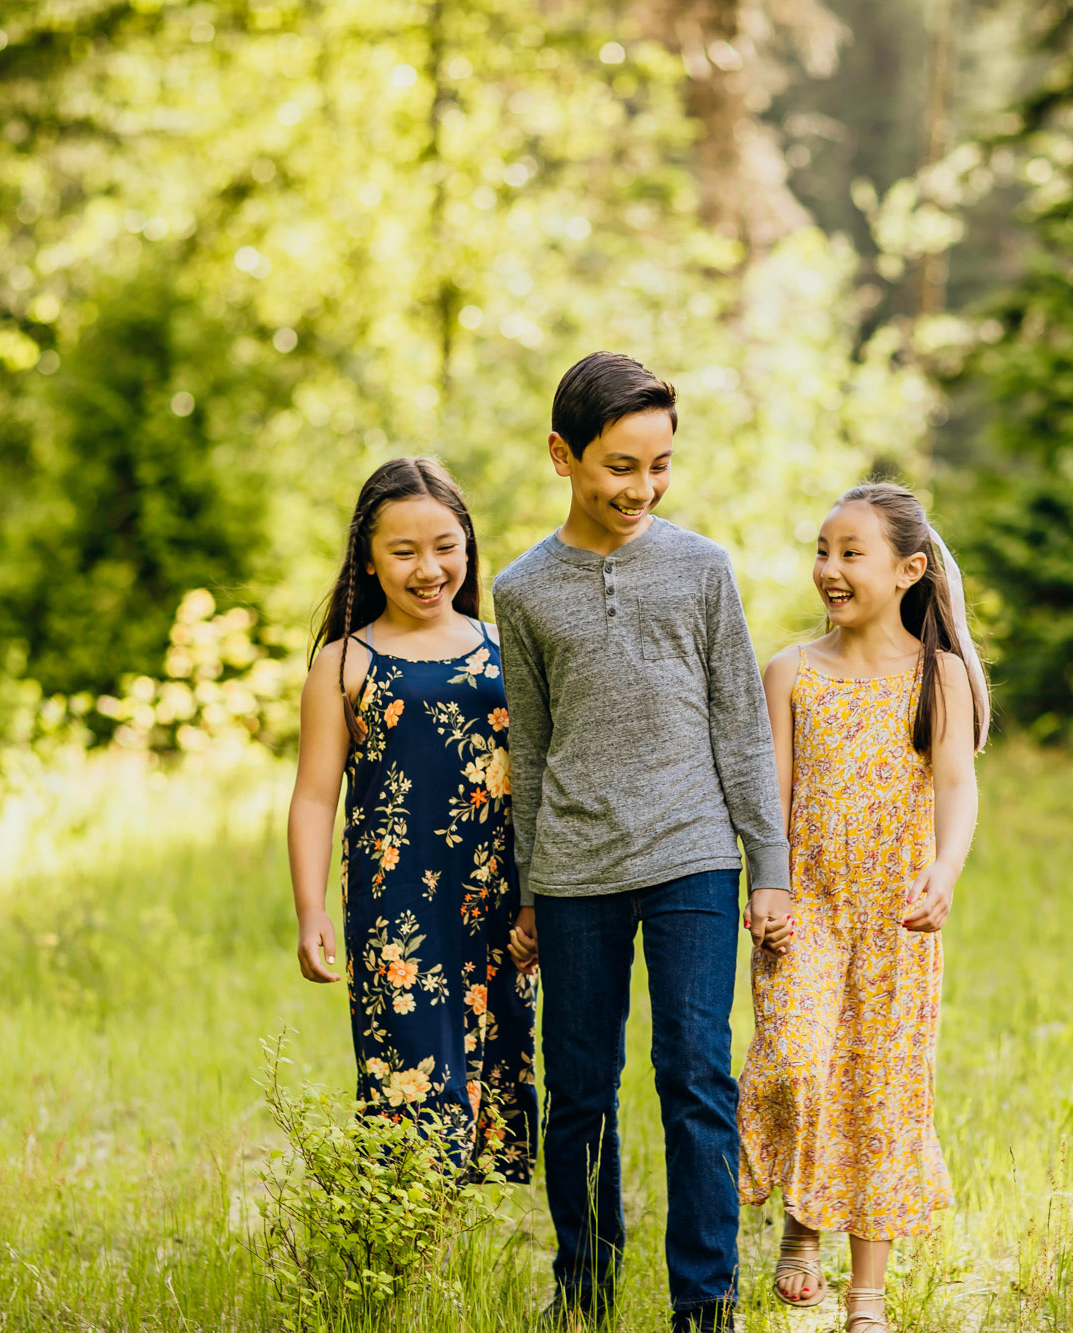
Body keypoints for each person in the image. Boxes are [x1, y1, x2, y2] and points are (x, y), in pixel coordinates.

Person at [495, 351, 790, 1333]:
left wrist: (769, 872)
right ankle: (581, 1292)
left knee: (693, 1072)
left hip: (692, 855)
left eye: (658, 463)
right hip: (576, 867)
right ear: (561, 456)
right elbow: (531, 746)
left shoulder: (703, 569)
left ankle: (704, 1305)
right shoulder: (523, 589)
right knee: (577, 1090)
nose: (641, 486)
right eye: (619, 465)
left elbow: (742, 724)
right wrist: (531, 888)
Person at [737, 482, 990, 1333]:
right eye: (823, 550)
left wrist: (945, 869)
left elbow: (956, 782)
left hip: (897, 914)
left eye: (851, 553)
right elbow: (770, 796)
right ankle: (802, 1220)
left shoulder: (938, 674)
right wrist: (763, 882)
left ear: (909, 570)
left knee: (882, 1090)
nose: (829, 569)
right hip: (807, 903)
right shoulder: (791, 670)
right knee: (798, 1062)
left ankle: (866, 1296)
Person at [284, 456, 535, 1181]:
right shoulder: (345, 664)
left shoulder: (503, 651)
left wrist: (534, 902)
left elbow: (542, 782)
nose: (429, 568)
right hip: (398, 915)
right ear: (368, 556)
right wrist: (310, 910)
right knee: (413, 1089)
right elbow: (311, 796)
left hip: (495, 906)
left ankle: (438, 1260)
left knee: (487, 1077)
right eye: (404, 551)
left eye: (445, 546)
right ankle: (404, 1259)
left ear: (468, 544)